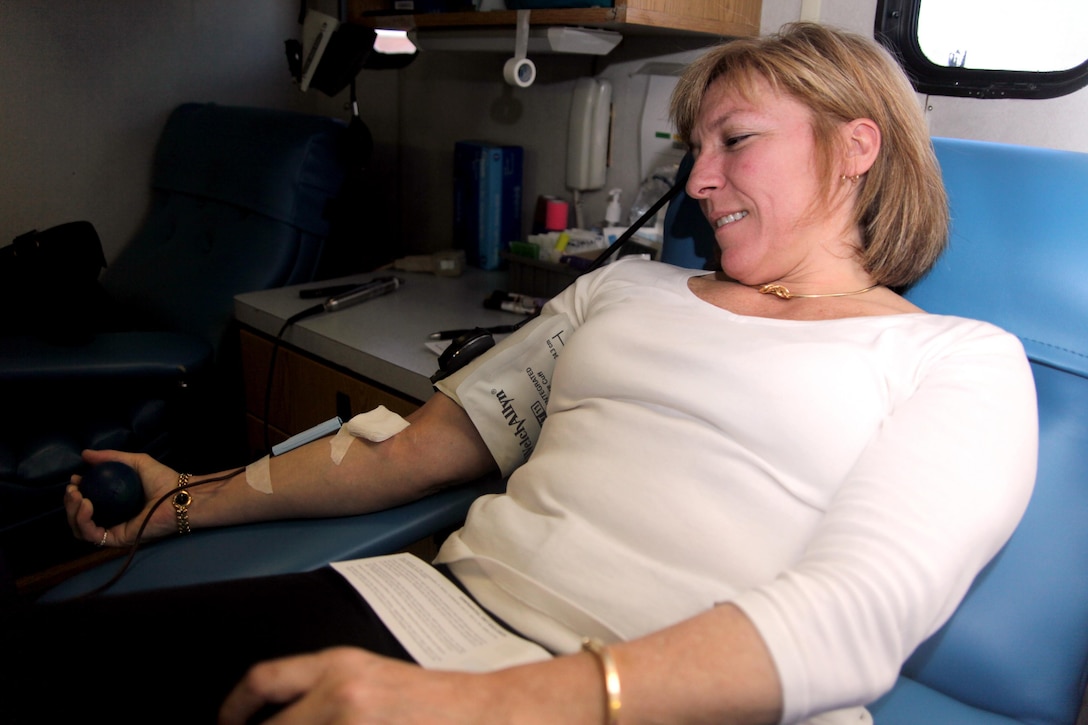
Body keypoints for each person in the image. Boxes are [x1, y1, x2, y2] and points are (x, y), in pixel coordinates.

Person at [1, 22, 1037, 725]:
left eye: (735, 140)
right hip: (425, 614)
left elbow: (855, 614)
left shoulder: (956, 360)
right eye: (691, 147)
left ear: (855, 145)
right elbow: (404, 457)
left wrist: (475, 703)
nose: (697, 178)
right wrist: (177, 502)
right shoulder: (623, 288)